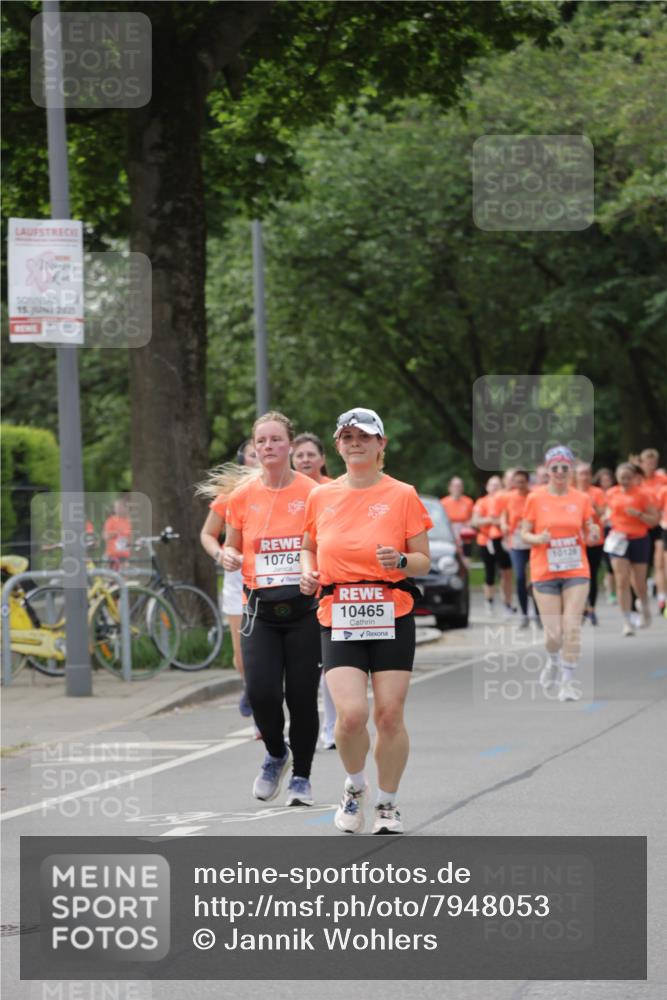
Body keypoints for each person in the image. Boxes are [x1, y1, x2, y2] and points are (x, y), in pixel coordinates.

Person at [301, 407, 432, 835]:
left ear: (381, 444)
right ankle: (355, 786)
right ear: (337, 445)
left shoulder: (403, 494)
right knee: (352, 715)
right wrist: (307, 569)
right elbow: (308, 546)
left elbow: (423, 562)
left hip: (391, 608)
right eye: (346, 436)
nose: (354, 442)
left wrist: (399, 559)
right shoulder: (321, 496)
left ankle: (388, 803)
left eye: (363, 436)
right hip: (339, 611)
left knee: (390, 715)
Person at [203, 411, 321, 806]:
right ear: (254, 448)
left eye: (275, 440)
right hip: (259, 609)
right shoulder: (242, 496)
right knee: (261, 692)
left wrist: (314, 570)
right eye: (261, 441)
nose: (268, 447)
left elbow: (326, 542)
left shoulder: (313, 493)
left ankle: (301, 776)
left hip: (304, 609)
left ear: (290, 445)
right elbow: (232, 541)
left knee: (302, 696)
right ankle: (276, 753)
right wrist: (228, 555)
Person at [520, 446, 600, 702]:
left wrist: (594, 533)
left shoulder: (582, 498)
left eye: (565, 467)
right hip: (544, 570)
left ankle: (568, 681)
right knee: (553, 634)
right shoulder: (535, 498)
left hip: (576, 568)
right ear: (547, 470)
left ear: (571, 469)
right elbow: (523, 533)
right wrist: (537, 537)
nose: (560, 472)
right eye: (555, 467)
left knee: (572, 626)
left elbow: (590, 527)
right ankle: (553, 661)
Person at [199, 440, 259, 720]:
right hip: (238, 581)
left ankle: (266, 705)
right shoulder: (231, 495)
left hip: (274, 579)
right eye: (252, 454)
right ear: (242, 459)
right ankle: (250, 685)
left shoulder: (287, 490)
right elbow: (208, 534)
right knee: (242, 656)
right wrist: (220, 555)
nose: (259, 458)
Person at [291, 431, 336, 748]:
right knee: (297, 663)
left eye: (310, 454)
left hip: (328, 583)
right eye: (300, 455)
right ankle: (295, 725)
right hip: (290, 584)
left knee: (328, 663)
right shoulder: (285, 491)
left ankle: (332, 726)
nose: (305, 460)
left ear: (322, 459)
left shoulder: (333, 491)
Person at [603, 462, 659, 636]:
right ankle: (627, 620)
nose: (625, 481)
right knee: (622, 580)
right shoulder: (611, 493)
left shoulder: (643, 495)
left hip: (639, 539)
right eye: (621, 478)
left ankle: (644, 605)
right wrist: (605, 517)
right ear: (617, 478)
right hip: (618, 540)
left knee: (639, 581)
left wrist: (640, 515)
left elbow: (654, 520)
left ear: (635, 478)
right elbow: (607, 512)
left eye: (628, 478)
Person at [500, 469, 534, 628]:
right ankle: (524, 614)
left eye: (522, 482)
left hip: (534, 541)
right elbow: (503, 516)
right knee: (520, 577)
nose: (519, 485)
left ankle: (539, 613)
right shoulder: (509, 497)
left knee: (536, 578)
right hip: (517, 542)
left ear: (528, 482)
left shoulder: (534, 497)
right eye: (516, 482)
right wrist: (504, 525)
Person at [574, 462, 606, 625]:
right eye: (581, 473)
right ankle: (581, 608)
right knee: (578, 577)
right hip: (575, 542)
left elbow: (602, 513)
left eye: (587, 473)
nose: (584, 477)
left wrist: (591, 505)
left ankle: (591, 608)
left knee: (592, 575)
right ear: (575, 475)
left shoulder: (597, 492)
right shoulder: (571, 492)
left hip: (594, 540)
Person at [638, 448, 667, 613]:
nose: (651, 465)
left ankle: (662, 598)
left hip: (658, 525)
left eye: (653, 462)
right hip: (640, 526)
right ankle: (642, 595)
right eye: (648, 462)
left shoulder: (662, 480)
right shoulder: (637, 480)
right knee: (641, 566)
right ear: (642, 463)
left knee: (659, 561)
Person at [471, 475, 504, 616]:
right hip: (486, 540)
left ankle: (505, 601)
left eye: (497, 485)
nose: (494, 488)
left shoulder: (505, 501)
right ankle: (489, 601)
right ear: (487, 487)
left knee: (504, 572)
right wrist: (490, 520)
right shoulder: (482, 502)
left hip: (502, 540)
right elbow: (475, 521)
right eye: (492, 485)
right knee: (489, 572)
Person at [440, 477, 474, 558]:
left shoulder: (468, 502)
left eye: (459, 486)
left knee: (466, 560)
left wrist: (469, 524)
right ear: (450, 488)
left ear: (462, 488)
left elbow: (472, 519)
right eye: (455, 486)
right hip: (449, 537)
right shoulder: (443, 503)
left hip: (465, 537)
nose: (457, 488)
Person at [103, 496, 132, 571]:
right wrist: (117, 532)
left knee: (125, 578)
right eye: (116, 507)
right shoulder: (111, 520)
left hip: (125, 555)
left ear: (125, 508)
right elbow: (105, 536)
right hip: (113, 555)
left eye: (119, 507)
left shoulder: (129, 521)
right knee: (113, 579)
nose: (117, 509)